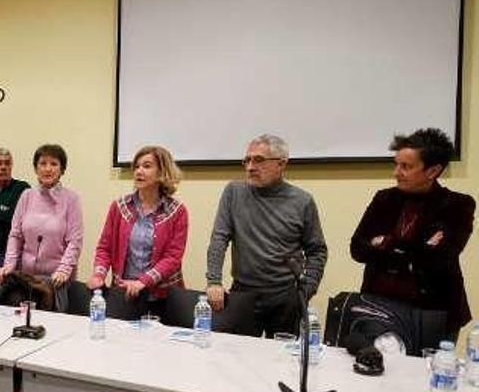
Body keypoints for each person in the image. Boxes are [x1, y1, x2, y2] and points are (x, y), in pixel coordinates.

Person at [351, 128, 475, 339]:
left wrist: (384, 242)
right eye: (396, 164)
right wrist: (417, 248)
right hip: (379, 306)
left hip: (433, 312)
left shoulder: (457, 205)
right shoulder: (384, 199)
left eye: (406, 167)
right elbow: (358, 249)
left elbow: (438, 259)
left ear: (433, 171)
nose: (396, 172)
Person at [206, 134, 327, 337]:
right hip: (243, 293)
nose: (250, 167)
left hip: (285, 296)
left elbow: (317, 250)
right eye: (247, 160)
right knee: (236, 358)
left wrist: (307, 289)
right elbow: (219, 239)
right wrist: (214, 281)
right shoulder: (233, 192)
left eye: (259, 160)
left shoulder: (302, 201)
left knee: (282, 362)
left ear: (281, 164)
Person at [87, 146, 188, 319]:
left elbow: (173, 257)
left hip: (162, 298)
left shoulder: (177, 211)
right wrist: (99, 274)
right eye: (137, 166)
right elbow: (105, 248)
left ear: (162, 172)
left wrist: (143, 282)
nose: (139, 171)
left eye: (147, 166)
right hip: (124, 294)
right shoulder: (119, 206)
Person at [0, 144, 84, 310]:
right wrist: (9, 265)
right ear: (36, 169)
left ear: (62, 169)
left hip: (56, 281)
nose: (48, 169)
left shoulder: (71, 199)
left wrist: (64, 269)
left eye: (54, 164)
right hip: (26, 279)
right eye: (43, 164)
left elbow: (75, 241)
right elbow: (16, 235)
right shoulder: (26, 196)